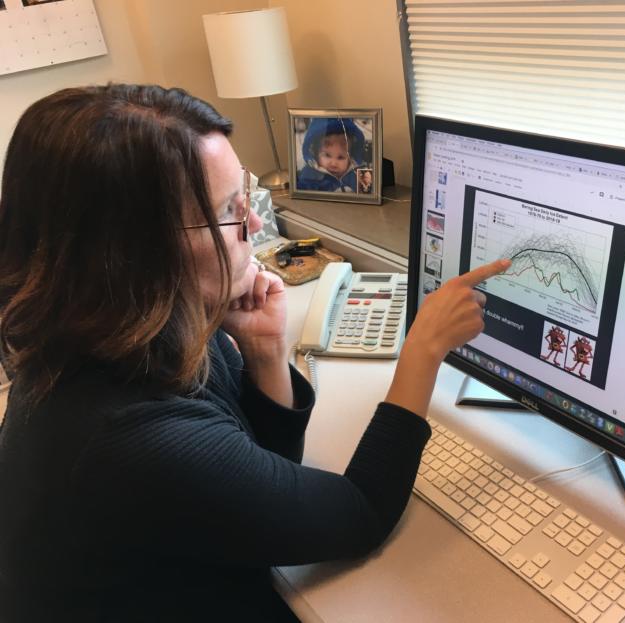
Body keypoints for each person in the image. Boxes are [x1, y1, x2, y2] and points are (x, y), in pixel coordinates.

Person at [0, 84, 510, 623]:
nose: (257, 224)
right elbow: (361, 514)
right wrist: (423, 348)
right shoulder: (132, 438)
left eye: (244, 197)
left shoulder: (119, 334)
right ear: (133, 252)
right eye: (228, 210)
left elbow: (258, 468)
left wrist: (265, 353)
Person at [296, 117, 366, 192]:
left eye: (341, 157)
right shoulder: (310, 177)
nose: (333, 163)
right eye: (327, 155)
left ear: (350, 158)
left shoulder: (356, 175)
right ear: (315, 153)